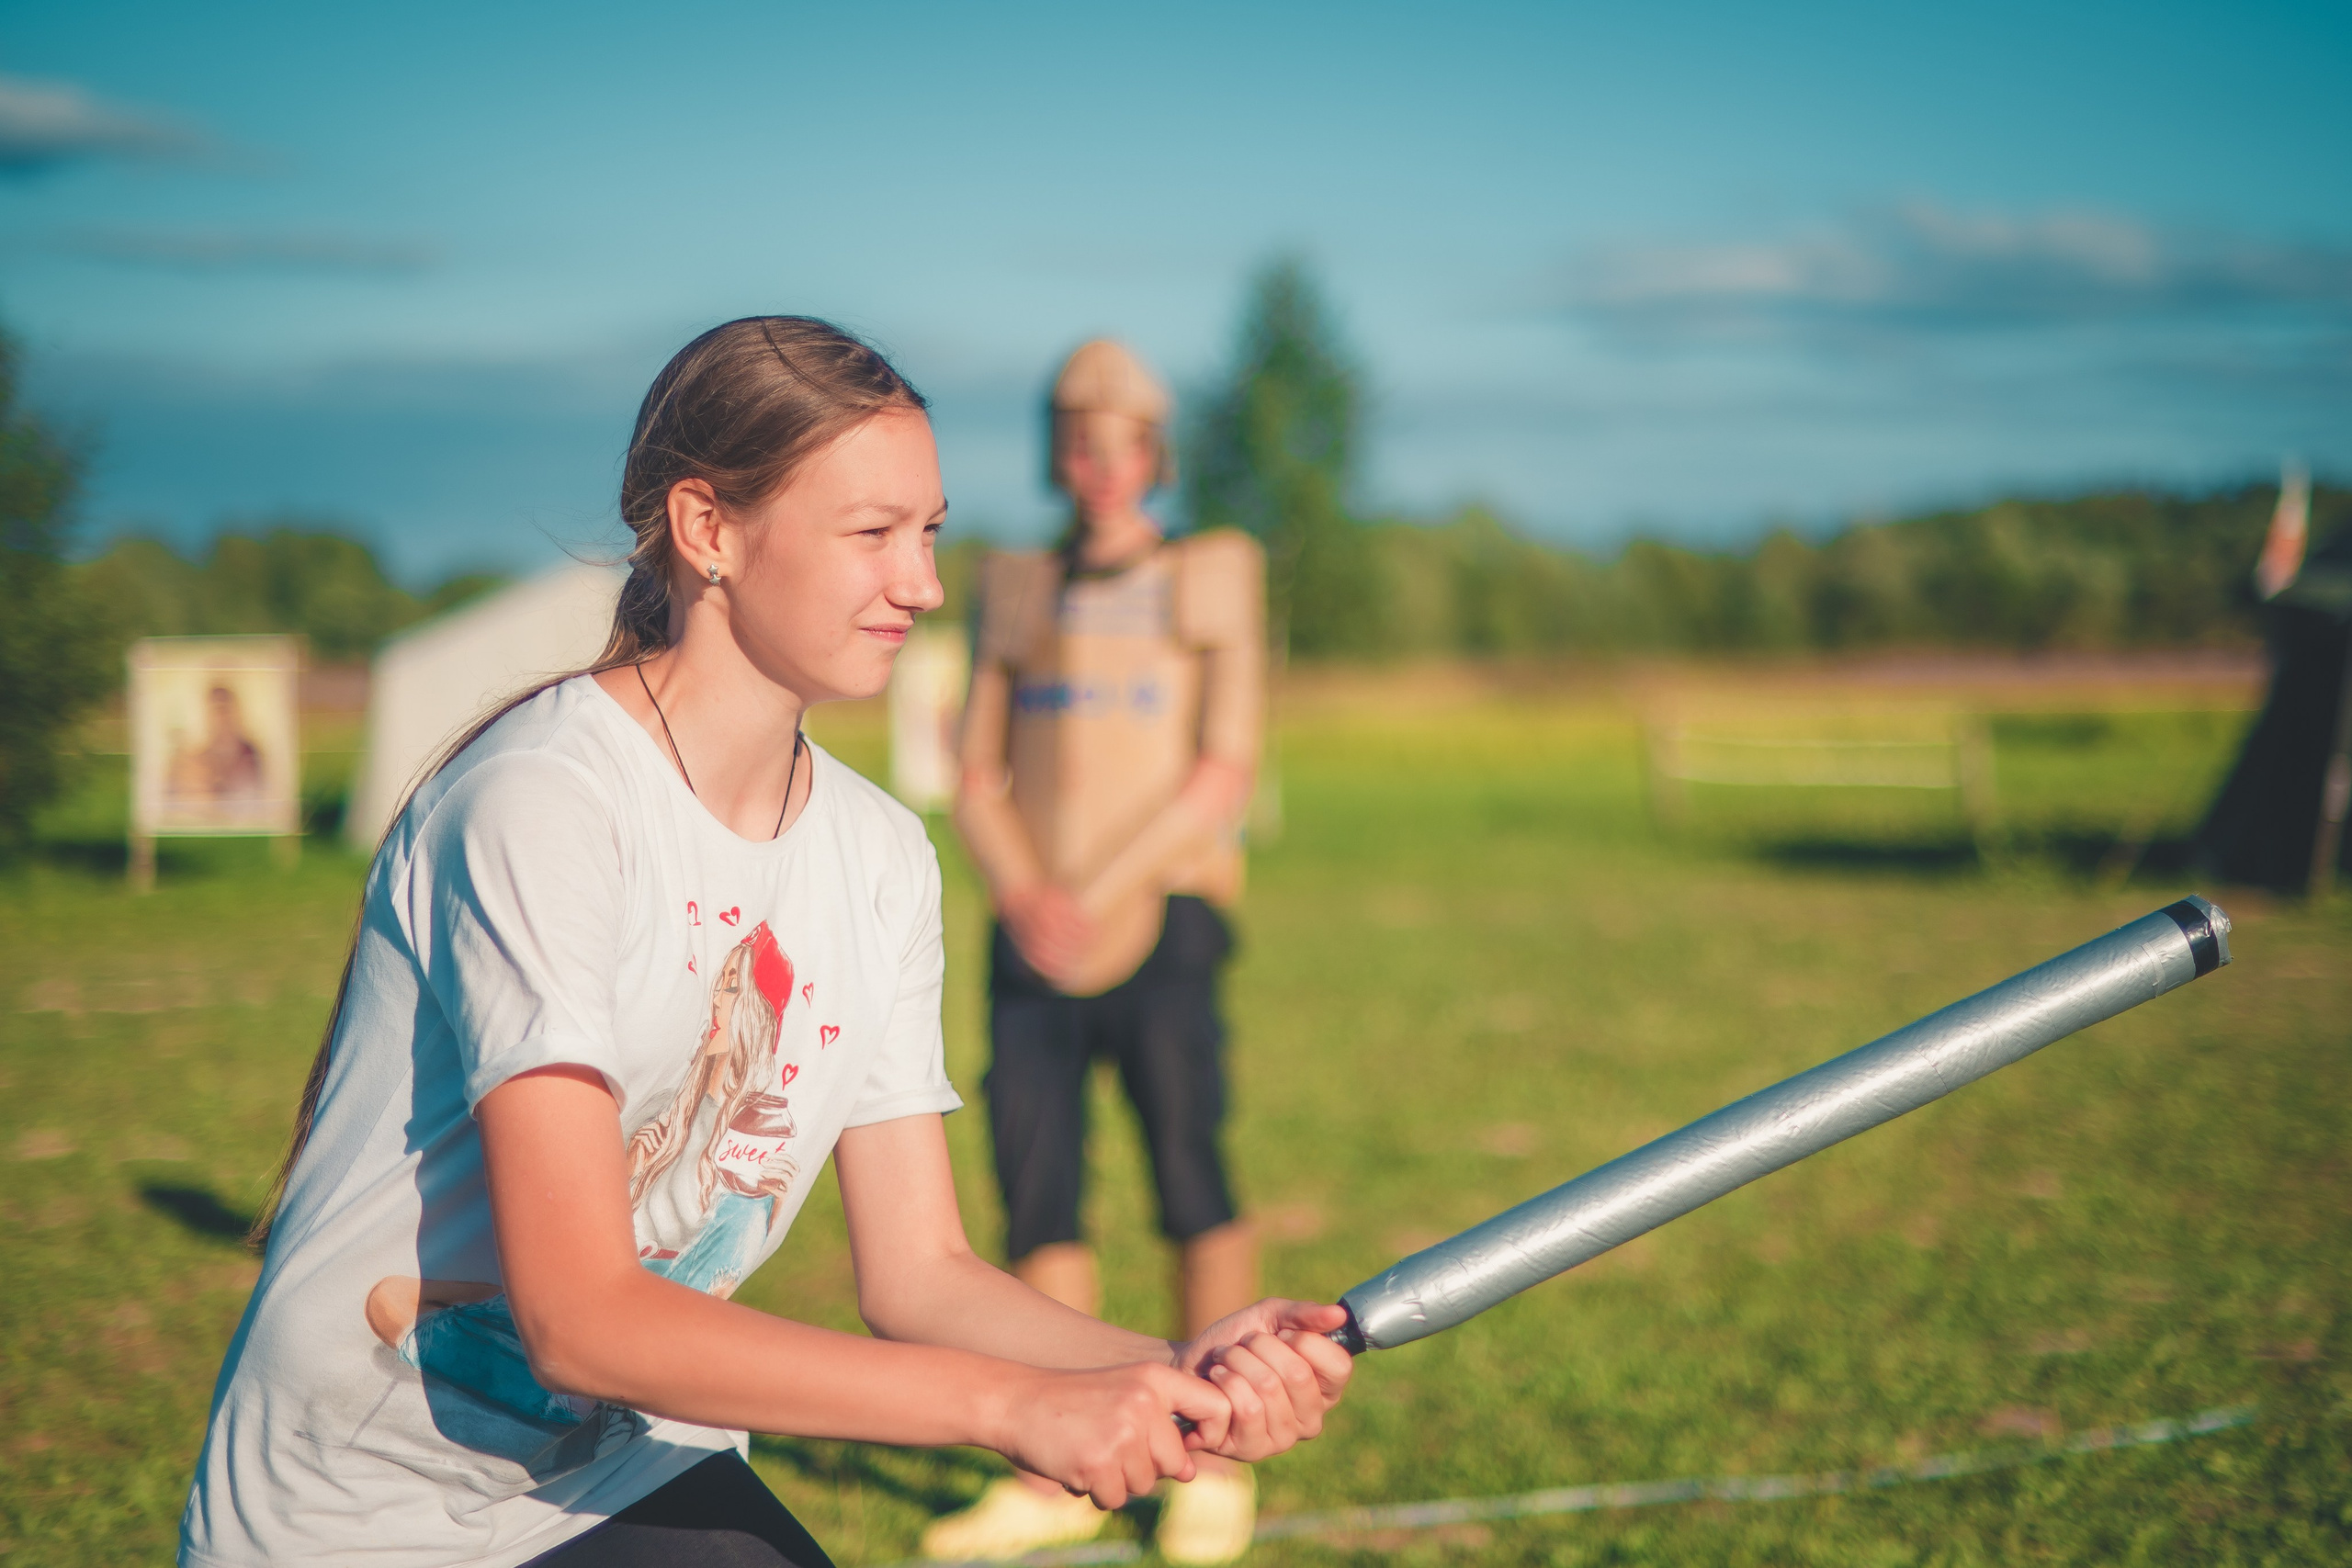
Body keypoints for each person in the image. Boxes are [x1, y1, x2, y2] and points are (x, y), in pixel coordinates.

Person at [179, 318, 1350, 1568]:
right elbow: (579, 1318)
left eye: (932, 532)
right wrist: (1014, 1407)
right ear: (709, 530)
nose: (924, 584)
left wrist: (1171, 1364)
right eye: (872, 535)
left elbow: (923, 1275)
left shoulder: (884, 855)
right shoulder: (542, 801)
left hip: (624, 1470)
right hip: (352, 1522)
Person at [941, 341, 1267, 1564]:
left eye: (1123, 441)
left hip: (1165, 916)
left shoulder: (1210, 573)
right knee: (1039, 1188)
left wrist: (1102, 890)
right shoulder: (1015, 585)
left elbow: (1221, 768)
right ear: (1056, 451)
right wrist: (1026, 892)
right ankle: (1056, 1465)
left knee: (1191, 1176)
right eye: (1079, 440)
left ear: (1155, 453)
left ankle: (1218, 1454)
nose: (1101, 464)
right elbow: (974, 773)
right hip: (1031, 935)